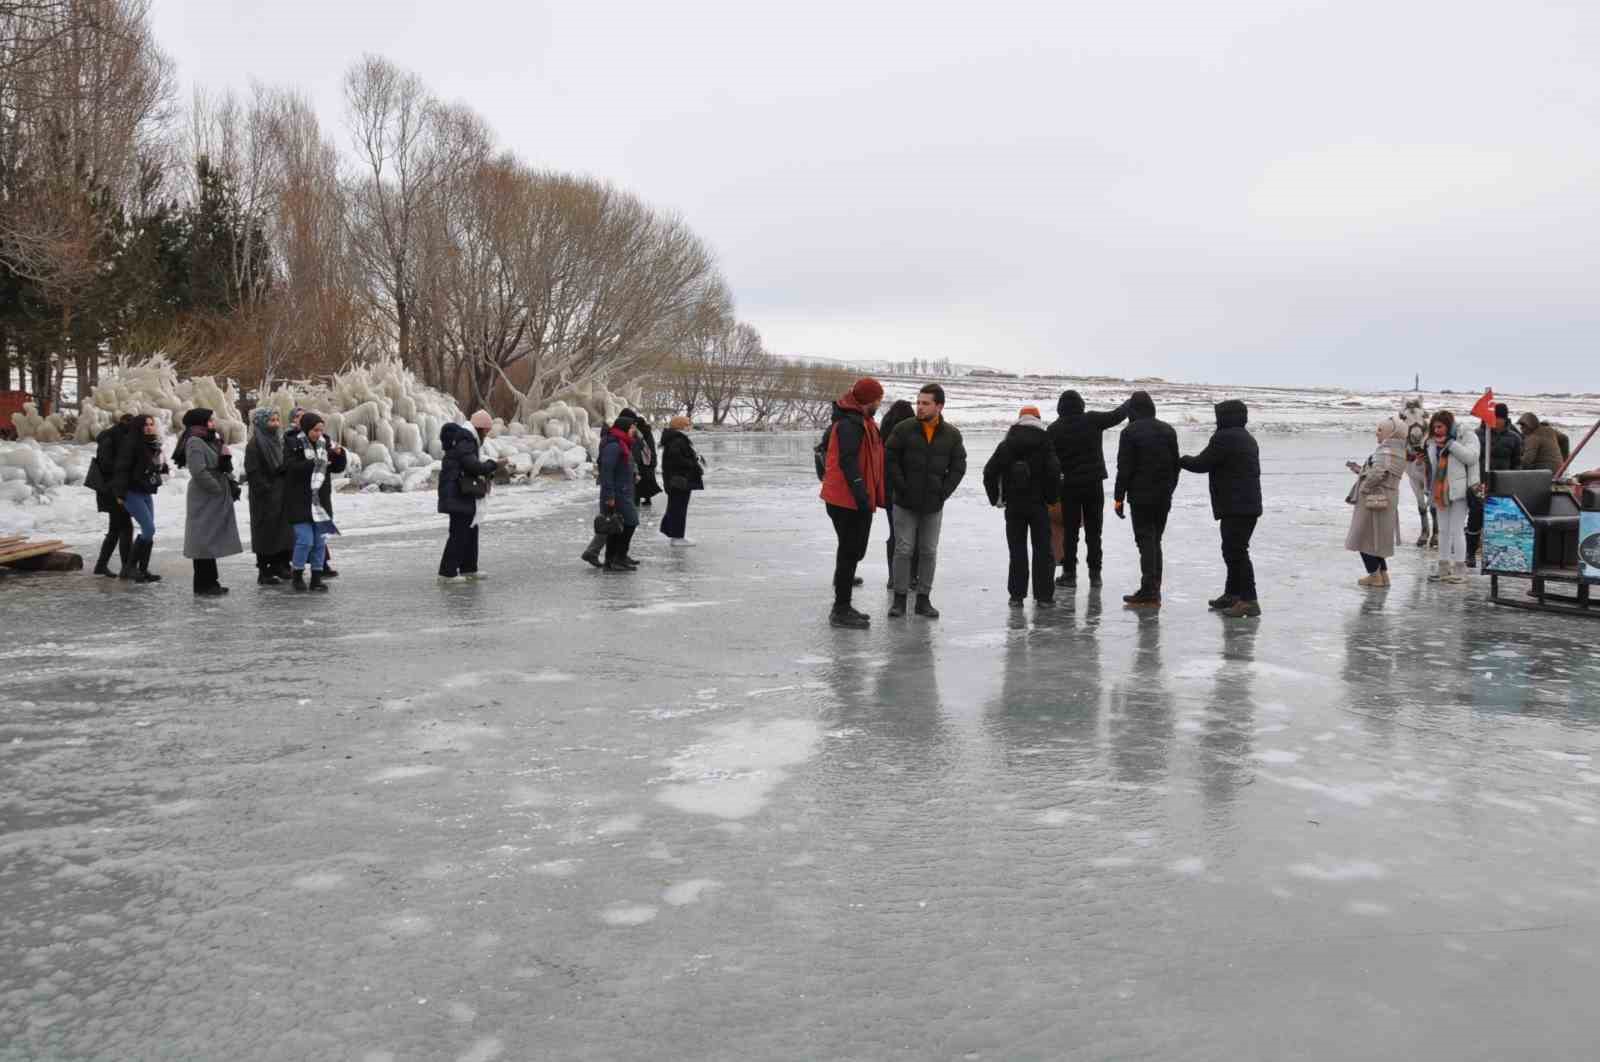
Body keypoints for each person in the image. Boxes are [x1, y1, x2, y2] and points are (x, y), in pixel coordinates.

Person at [884, 383, 966, 619]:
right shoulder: (903, 429)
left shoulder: (951, 434)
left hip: (933, 504)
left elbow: (959, 466)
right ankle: (899, 599)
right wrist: (901, 487)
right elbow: (890, 460)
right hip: (904, 502)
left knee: (928, 550)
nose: (919, 407)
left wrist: (944, 491)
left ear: (939, 406)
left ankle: (923, 599)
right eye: (918, 402)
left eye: (925, 403)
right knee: (904, 548)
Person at [1178, 399, 1263, 618]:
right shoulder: (1247, 438)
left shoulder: (1224, 437)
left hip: (1236, 505)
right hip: (1248, 504)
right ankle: (1232, 594)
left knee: (1236, 552)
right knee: (1234, 549)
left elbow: (1202, 464)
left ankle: (1249, 600)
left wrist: (1180, 460)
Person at [818, 377, 886, 629]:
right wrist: (861, 495)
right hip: (847, 499)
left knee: (852, 550)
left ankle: (843, 602)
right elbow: (847, 461)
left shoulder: (860, 421)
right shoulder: (850, 425)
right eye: (878, 399)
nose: (879, 403)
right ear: (868, 400)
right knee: (850, 551)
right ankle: (841, 609)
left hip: (850, 498)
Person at [1047, 390, 1130, 589]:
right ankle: (1095, 575)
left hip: (1069, 487)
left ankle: (1069, 574)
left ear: (1060, 407)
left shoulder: (1054, 429)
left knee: (1071, 532)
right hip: (1093, 484)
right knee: (1094, 531)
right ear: (1081, 404)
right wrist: (1130, 402)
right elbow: (1116, 416)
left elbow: (1050, 461)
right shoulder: (1092, 420)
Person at [982, 405, 1062, 607]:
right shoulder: (1045, 442)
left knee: (1017, 550)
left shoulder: (1008, 443)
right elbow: (1053, 471)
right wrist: (1051, 498)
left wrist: (997, 498)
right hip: (1038, 505)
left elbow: (989, 472)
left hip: (1014, 506)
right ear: (1038, 418)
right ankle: (1044, 597)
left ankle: (1016, 596)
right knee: (1043, 550)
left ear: (1019, 420)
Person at [1112, 391, 1179, 609]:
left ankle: (1149, 590)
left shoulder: (1130, 432)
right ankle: (1154, 588)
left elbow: (1125, 469)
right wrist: (1170, 489)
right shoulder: (1168, 430)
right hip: (1163, 495)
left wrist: (1118, 498)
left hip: (1141, 496)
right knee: (1155, 540)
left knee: (1145, 541)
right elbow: (1175, 465)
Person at [176, 408, 243, 597]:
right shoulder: (195, 441)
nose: (213, 423)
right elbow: (198, 471)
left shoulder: (210, 439)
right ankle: (204, 584)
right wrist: (217, 488)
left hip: (214, 493)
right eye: (210, 420)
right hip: (204, 495)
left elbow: (221, 463)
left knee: (209, 539)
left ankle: (211, 582)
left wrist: (228, 483)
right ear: (200, 423)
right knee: (202, 541)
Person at [283, 412, 347, 592]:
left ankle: (316, 578)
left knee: (319, 542)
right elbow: (290, 468)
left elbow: (337, 468)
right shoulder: (292, 443)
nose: (319, 433)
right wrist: (314, 463)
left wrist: (339, 455)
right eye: (315, 430)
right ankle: (297, 575)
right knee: (305, 540)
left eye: (321, 430)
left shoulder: (325, 443)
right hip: (299, 499)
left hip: (321, 501)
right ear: (306, 428)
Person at [438, 411, 501, 581]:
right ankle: (447, 573)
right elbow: (473, 466)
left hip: (461, 493)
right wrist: (493, 464)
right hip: (457, 493)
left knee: (471, 529)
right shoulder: (466, 440)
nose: (487, 435)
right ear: (479, 429)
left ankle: (468, 568)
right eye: (486, 431)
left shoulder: (466, 439)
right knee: (459, 532)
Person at [1345, 416, 1407, 588]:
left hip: (1374, 500)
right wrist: (1361, 470)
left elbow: (1378, 473)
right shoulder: (1399, 451)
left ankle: (1374, 576)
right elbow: (1384, 472)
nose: (1377, 433)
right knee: (1377, 540)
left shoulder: (1386, 451)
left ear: (1391, 433)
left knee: (1363, 538)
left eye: (1381, 430)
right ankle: (1383, 574)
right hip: (1388, 498)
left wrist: (1364, 487)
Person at [1465, 403, 1524, 569]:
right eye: (1493, 417)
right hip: (1478, 484)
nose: (1495, 421)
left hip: (1502, 485)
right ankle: (1470, 553)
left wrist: (1514, 482)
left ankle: (1500, 555)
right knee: (1475, 518)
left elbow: (1517, 463)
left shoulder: (1514, 438)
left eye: (1499, 418)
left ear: (1505, 419)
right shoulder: (1476, 436)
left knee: (1501, 522)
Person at [1425, 410, 1481, 584]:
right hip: (1440, 490)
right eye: (1434, 427)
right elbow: (1433, 468)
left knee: (1457, 529)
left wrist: (1451, 444)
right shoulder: (1433, 442)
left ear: (1448, 425)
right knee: (1443, 530)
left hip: (1460, 490)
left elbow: (1472, 458)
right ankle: (1443, 568)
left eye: (1440, 427)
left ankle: (1459, 569)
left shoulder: (1466, 435)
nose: (1437, 431)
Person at [111, 413, 166, 584]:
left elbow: (152, 466)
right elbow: (121, 470)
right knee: (149, 529)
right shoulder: (131, 444)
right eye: (145, 424)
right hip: (131, 492)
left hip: (145, 492)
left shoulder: (152, 444)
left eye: (151, 424)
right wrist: (120, 494)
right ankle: (129, 568)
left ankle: (142, 570)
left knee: (149, 531)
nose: (149, 427)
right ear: (138, 427)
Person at [244, 407, 294, 585]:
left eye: (276, 420)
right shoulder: (255, 444)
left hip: (282, 494)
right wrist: (267, 488)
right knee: (266, 531)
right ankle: (264, 571)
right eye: (271, 421)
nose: (275, 424)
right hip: (264, 497)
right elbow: (253, 472)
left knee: (284, 531)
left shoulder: (279, 441)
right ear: (261, 423)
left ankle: (281, 565)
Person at [593, 412, 643, 571]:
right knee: (629, 522)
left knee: (618, 526)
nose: (634, 430)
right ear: (625, 427)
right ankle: (618, 557)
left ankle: (613, 559)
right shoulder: (614, 445)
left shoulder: (622, 442)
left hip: (623, 489)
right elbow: (607, 471)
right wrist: (609, 496)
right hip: (617, 492)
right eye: (632, 427)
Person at [878, 399, 916, 587]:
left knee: (895, 533)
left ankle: (893, 576)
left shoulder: (884, 432)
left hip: (887, 488)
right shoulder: (912, 431)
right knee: (913, 533)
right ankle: (912, 576)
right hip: (909, 489)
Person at [89, 415, 134, 577]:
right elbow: (107, 465)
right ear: (124, 424)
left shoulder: (115, 436)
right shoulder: (112, 438)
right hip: (112, 489)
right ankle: (126, 568)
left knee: (116, 528)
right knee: (125, 527)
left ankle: (101, 566)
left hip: (112, 488)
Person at [658, 415, 704, 546]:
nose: (690, 427)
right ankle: (677, 537)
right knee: (678, 508)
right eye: (688, 424)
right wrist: (693, 462)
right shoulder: (677, 440)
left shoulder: (675, 439)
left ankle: (675, 534)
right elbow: (676, 460)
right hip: (679, 481)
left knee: (676, 507)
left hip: (677, 480)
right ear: (681, 426)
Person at [1398, 398, 1436, 548]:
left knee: (1433, 501)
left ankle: (1437, 532)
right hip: (1412, 464)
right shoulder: (1404, 444)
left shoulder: (1432, 443)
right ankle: (1425, 530)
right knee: (1420, 503)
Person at [629, 410, 662, 510]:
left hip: (642, 461)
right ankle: (647, 500)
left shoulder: (639, 434)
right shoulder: (648, 432)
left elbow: (639, 447)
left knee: (639, 482)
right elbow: (651, 447)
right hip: (649, 460)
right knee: (647, 481)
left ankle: (637, 500)